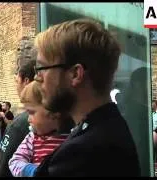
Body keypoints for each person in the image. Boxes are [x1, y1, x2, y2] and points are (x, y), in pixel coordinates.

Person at [33, 18, 140, 176]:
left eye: (42, 68)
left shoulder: (82, 153)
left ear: (75, 74)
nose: (37, 77)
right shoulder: (106, 128)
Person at [8, 81, 70, 177]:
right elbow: (15, 161)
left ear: (53, 113)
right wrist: (32, 171)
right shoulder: (32, 138)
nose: (28, 119)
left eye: (31, 112)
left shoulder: (72, 138)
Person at [0, 60, 37, 176]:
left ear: (26, 81)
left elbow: (2, 169)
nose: (16, 86)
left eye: (17, 81)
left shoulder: (20, 123)